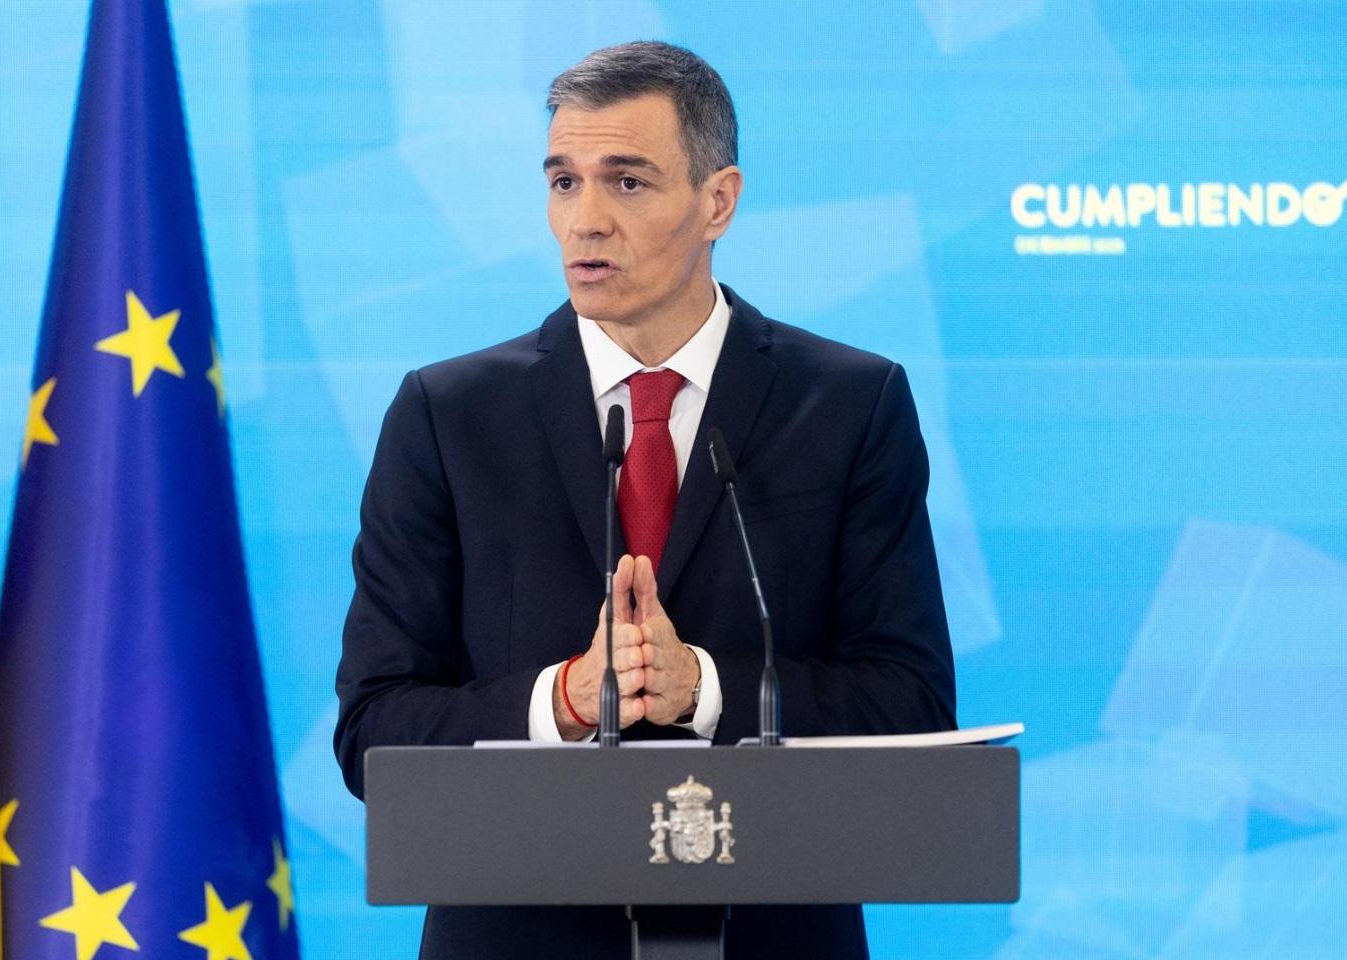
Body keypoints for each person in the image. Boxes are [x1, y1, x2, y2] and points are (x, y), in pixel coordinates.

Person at [334, 40, 956, 960]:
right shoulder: (448, 416)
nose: (585, 221)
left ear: (719, 201)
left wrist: (702, 685)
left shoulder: (850, 406)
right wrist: (567, 699)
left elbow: (912, 708)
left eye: (626, 183)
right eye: (563, 182)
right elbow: (373, 730)